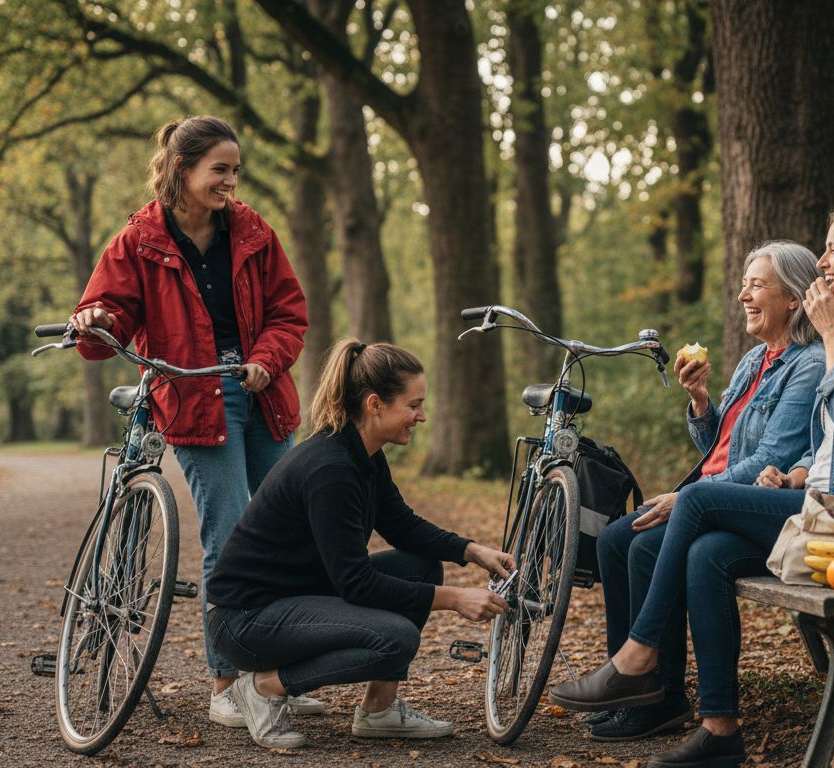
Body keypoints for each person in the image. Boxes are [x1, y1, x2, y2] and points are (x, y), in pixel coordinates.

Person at [551, 201, 834, 768]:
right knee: (707, 554)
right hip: (823, 505)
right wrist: (798, 470)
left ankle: (638, 659)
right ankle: (719, 729)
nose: (824, 263)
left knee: (698, 501)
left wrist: (833, 335)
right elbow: (831, 440)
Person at [67, 116, 318, 725]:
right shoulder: (139, 240)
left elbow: (290, 313)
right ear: (183, 170)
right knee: (230, 535)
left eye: (235, 171)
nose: (231, 182)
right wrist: (95, 320)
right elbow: (107, 324)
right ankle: (226, 684)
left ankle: (277, 676)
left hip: (263, 395)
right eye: (220, 170)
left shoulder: (253, 230)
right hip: (195, 399)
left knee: (289, 531)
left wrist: (264, 360)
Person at [203, 339, 516, 751]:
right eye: (413, 405)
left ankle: (378, 710)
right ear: (374, 405)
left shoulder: (363, 453)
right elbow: (356, 583)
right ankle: (263, 688)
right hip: (245, 622)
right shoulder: (331, 469)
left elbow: (401, 525)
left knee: (421, 566)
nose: (421, 416)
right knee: (396, 638)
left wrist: (471, 550)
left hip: (292, 598)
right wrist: (455, 598)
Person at [587, 241, 825, 741]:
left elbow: (767, 462)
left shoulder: (808, 364)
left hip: (748, 504)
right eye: (744, 283)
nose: (743, 294)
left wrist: (690, 496)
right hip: (713, 495)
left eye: (758, 284)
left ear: (793, 299)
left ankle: (658, 688)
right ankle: (637, 690)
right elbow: (720, 444)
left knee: (646, 545)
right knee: (614, 539)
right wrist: (699, 403)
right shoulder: (754, 359)